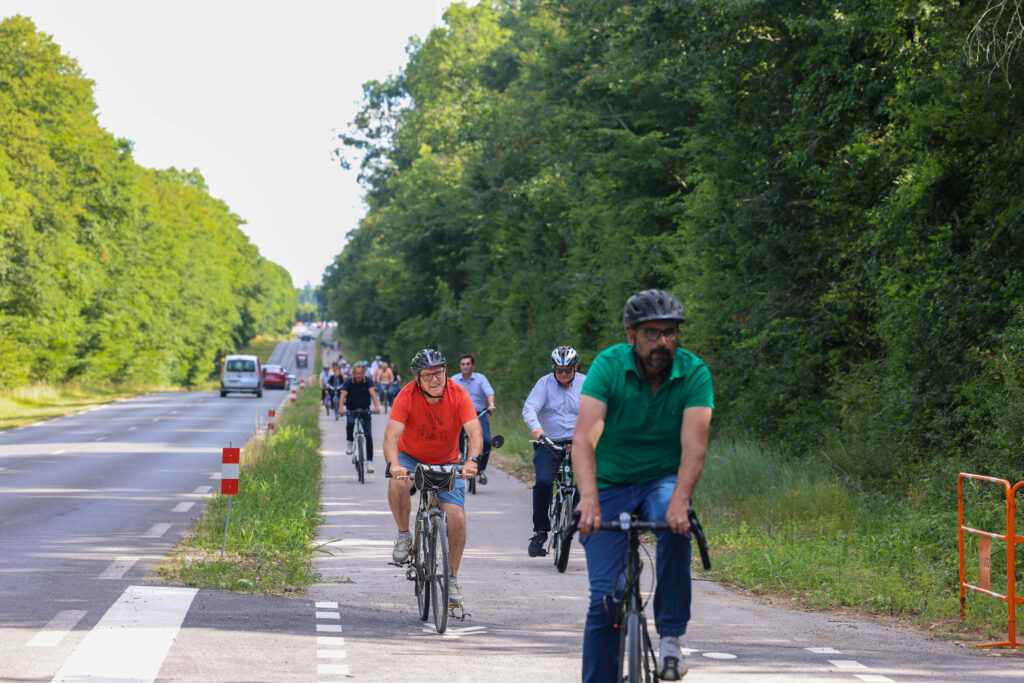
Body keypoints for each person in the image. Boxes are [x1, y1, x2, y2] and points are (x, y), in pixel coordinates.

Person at [573, 289, 713, 682]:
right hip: (608, 483)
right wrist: (588, 500)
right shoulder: (608, 367)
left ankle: (670, 639)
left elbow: (694, 448)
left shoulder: (693, 372)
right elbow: (584, 439)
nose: (663, 342)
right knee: (606, 595)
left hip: (661, 481)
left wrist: (680, 500)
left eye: (670, 333)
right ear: (632, 335)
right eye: (653, 333)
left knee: (676, 525)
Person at [385, 349, 482, 608]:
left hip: (447, 461)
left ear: (446, 372)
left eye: (438, 372)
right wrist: (394, 464)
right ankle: (404, 534)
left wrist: (472, 460)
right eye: (427, 375)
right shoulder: (406, 395)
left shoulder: (458, 394)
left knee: (457, 517)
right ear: (417, 378)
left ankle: (451, 579)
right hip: (411, 458)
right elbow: (391, 436)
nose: (434, 379)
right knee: (397, 483)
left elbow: (474, 432)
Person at [521, 346, 586, 557]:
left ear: (576, 367)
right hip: (549, 441)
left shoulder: (587, 383)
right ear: (553, 368)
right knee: (543, 483)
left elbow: (600, 407)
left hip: (579, 441)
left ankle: (577, 512)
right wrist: (537, 429)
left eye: (568, 370)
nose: (563, 374)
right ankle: (540, 532)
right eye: (559, 370)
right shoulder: (544, 383)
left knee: (592, 480)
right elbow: (530, 407)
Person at [451, 354, 495, 485]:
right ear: (460, 366)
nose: (465, 366)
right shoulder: (454, 379)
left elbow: (489, 392)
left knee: (487, 440)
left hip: (478, 414)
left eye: (468, 364)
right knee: (453, 434)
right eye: (463, 364)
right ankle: (460, 453)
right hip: (459, 414)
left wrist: (491, 404)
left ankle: (481, 469)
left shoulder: (481, 378)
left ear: (473, 366)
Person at [340, 363, 382, 473]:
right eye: (356, 373)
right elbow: (343, 396)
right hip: (351, 410)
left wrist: (376, 407)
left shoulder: (368, 381)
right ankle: (349, 441)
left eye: (361, 373)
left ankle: (369, 462)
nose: (358, 375)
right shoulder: (349, 382)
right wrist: (341, 408)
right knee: (350, 423)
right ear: (353, 373)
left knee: (368, 435)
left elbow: (373, 394)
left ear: (363, 373)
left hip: (365, 410)